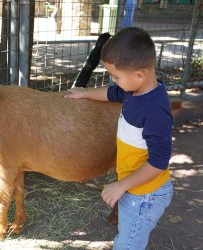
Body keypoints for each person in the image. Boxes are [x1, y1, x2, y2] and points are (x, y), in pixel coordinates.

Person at [65, 27, 173, 250]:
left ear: (139, 75)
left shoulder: (154, 110)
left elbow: (159, 160)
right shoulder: (133, 90)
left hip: (145, 195)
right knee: (129, 234)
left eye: (116, 76)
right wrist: (84, 93)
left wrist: (121, 185)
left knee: (128, 244)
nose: (114, 81)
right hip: (133, 187)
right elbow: (112, 93)